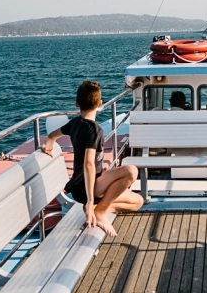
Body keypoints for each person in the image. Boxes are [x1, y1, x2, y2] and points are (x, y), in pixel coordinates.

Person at [41, 80, 144, 237]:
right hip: (88, 187)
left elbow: (52, 135)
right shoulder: (94, 130)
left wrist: (48, 146)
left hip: (83, 188)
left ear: (77, 104)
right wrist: (89, 201)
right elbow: (88, 163)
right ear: (100, 104)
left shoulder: (74, 124)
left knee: (138, 202)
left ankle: (100, 208)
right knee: (131, 171)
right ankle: (100, 211)